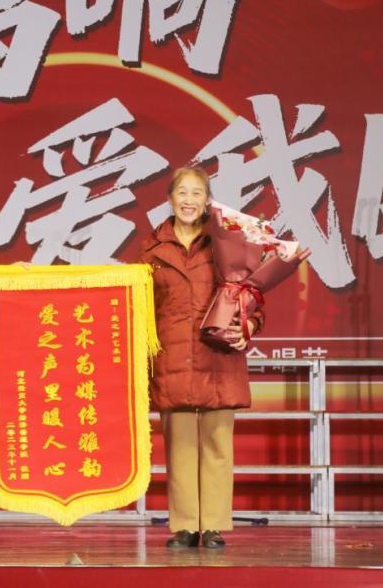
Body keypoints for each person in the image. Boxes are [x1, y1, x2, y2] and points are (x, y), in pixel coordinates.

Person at [140, 166, 304, 549]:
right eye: (182, 193)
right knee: (180, 447)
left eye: (197, 193)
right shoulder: (151, 249)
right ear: (170, 199)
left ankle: (212, 524)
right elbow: (139, 304)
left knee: (216, 445)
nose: (189, 201)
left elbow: (251, 297)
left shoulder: (227, 241)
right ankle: (185, 525)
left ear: (207, 201)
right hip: (172, 357)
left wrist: (248, 328)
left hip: (218, 356)